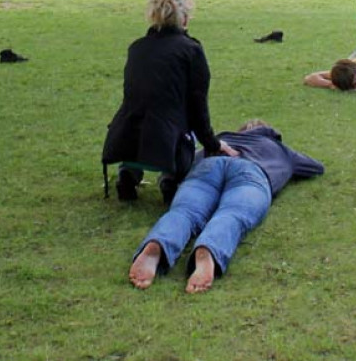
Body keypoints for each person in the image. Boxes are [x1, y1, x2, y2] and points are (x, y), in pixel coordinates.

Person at [128, 120, 324, 293]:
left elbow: (183, 164)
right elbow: (316, 168)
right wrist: (283, 155)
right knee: (232, 214)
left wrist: (167, 181)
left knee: (184, 211)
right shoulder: (277, 148)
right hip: (252, 174)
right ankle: (209, 250)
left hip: (209, 165)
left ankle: (158, 245)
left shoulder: (220, 138)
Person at [101, 0, 218, 204]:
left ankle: (129, 173)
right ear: (184, 19)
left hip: (125, 139)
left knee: (147, 118)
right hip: (168, 141)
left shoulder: (136, 48)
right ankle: (169, 178)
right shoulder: (191, 50)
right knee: (180, 127)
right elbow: (198, 108)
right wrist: (214, 144)